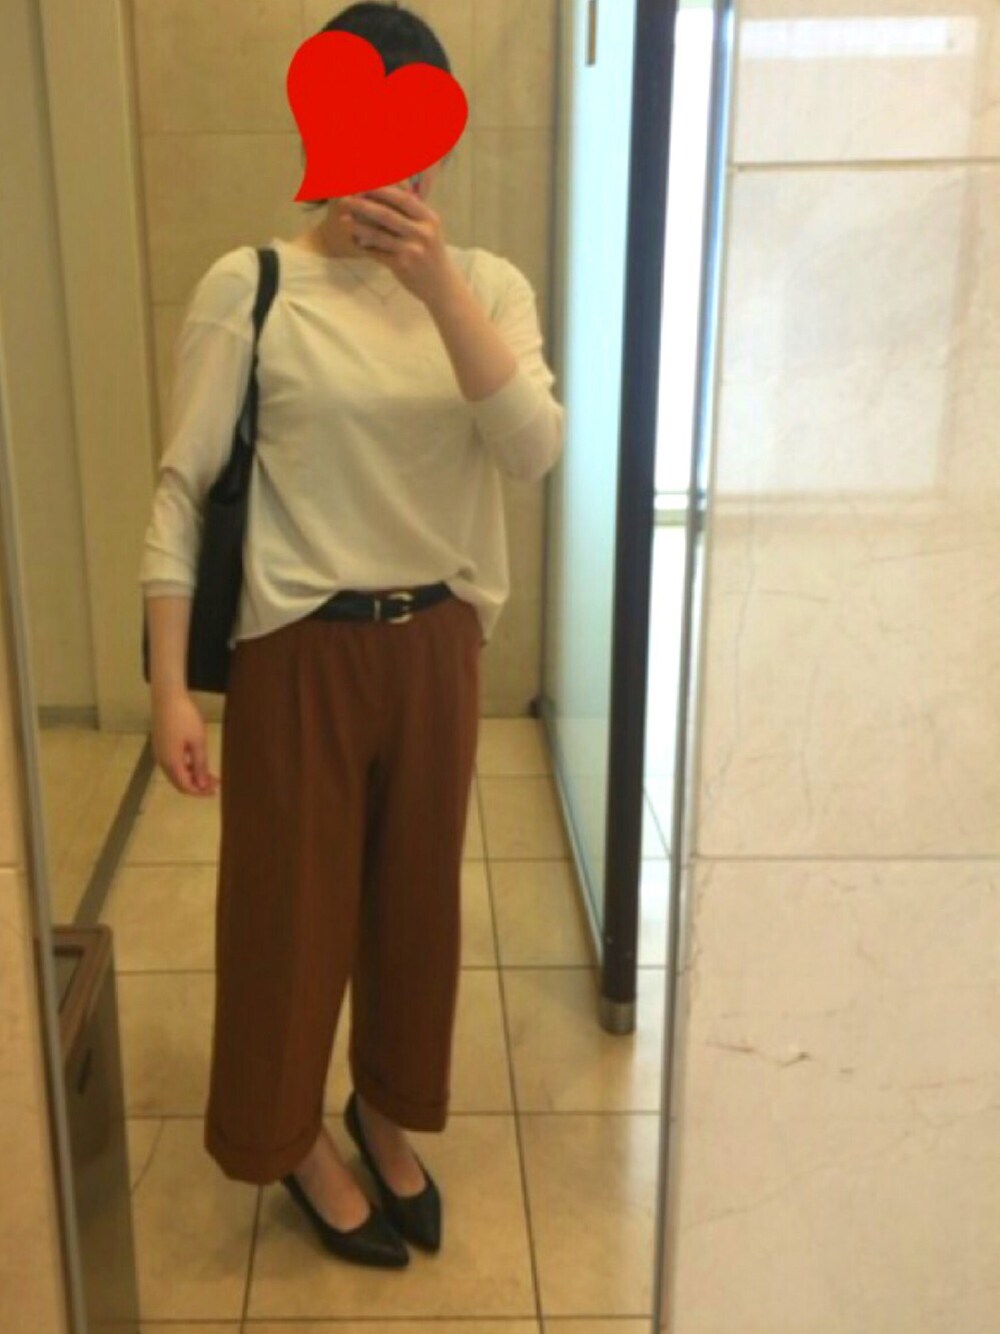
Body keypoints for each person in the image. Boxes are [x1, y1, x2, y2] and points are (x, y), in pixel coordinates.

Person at [139, 0, 564, 1269]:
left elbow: (532, 451)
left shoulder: (487, 285)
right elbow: (181, 487)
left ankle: (383, 1106)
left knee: (415, 910)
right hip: (297, 649)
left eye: (419, 143)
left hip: (436, 643)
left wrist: (436, 286)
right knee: (287, 915)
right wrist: (169, 686)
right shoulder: (252, 285)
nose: (400, 173)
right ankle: (288, 1141)